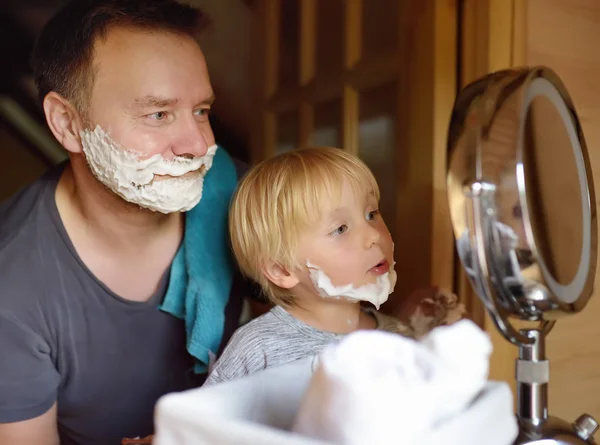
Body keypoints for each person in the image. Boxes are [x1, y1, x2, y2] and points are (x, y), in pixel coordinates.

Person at [0, 1, 258, 444]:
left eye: (202, 111)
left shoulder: (234, 193)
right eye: (158, 114)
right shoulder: (12, 287)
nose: (199, 145)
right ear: (67, 123)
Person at [206, 148, 464, 385]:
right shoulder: (259, 348)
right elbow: (198, 428)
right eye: (340, 229)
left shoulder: (400, 340)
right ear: (282, 270)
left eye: (371, 214)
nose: (373, 235)